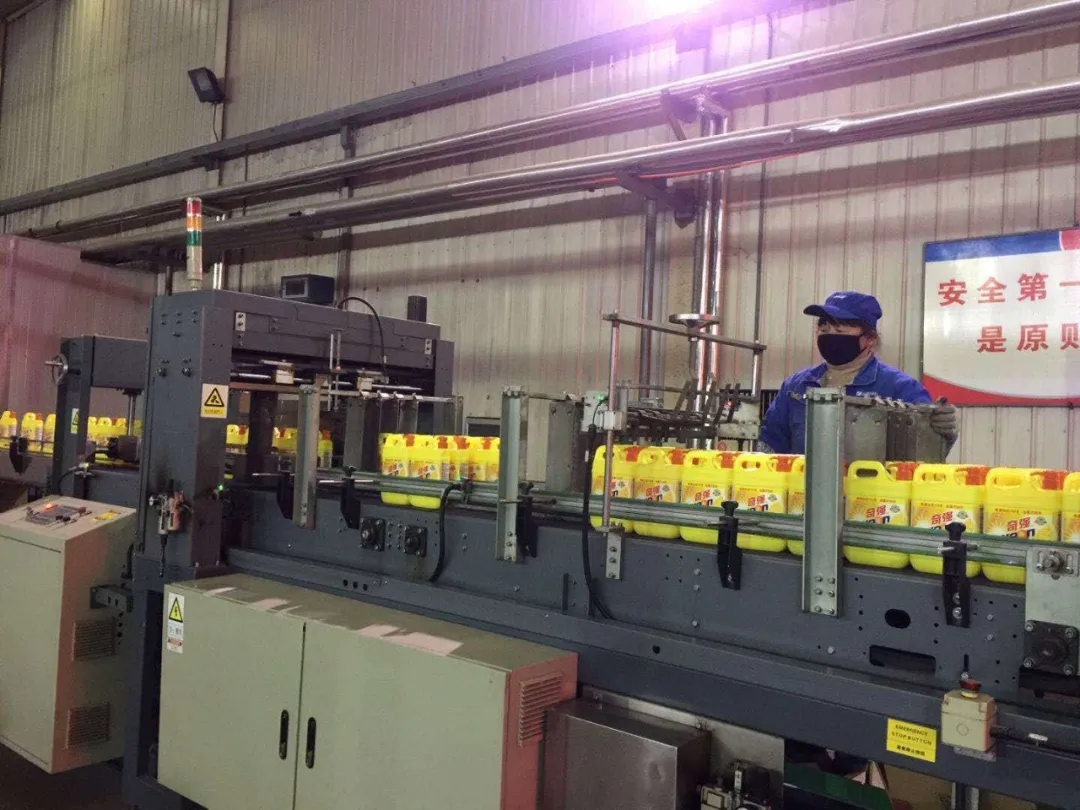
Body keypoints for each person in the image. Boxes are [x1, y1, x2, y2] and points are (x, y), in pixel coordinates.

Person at [759, 291, 958, 453]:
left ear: (870, 339)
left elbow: (924, 456)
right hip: (802, 489)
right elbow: (770, 446)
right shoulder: (796, 386)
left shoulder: (901, 389)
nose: (829, 337)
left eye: (840, 331)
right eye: (824, 330)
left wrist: (942, 432)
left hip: (875, 491)